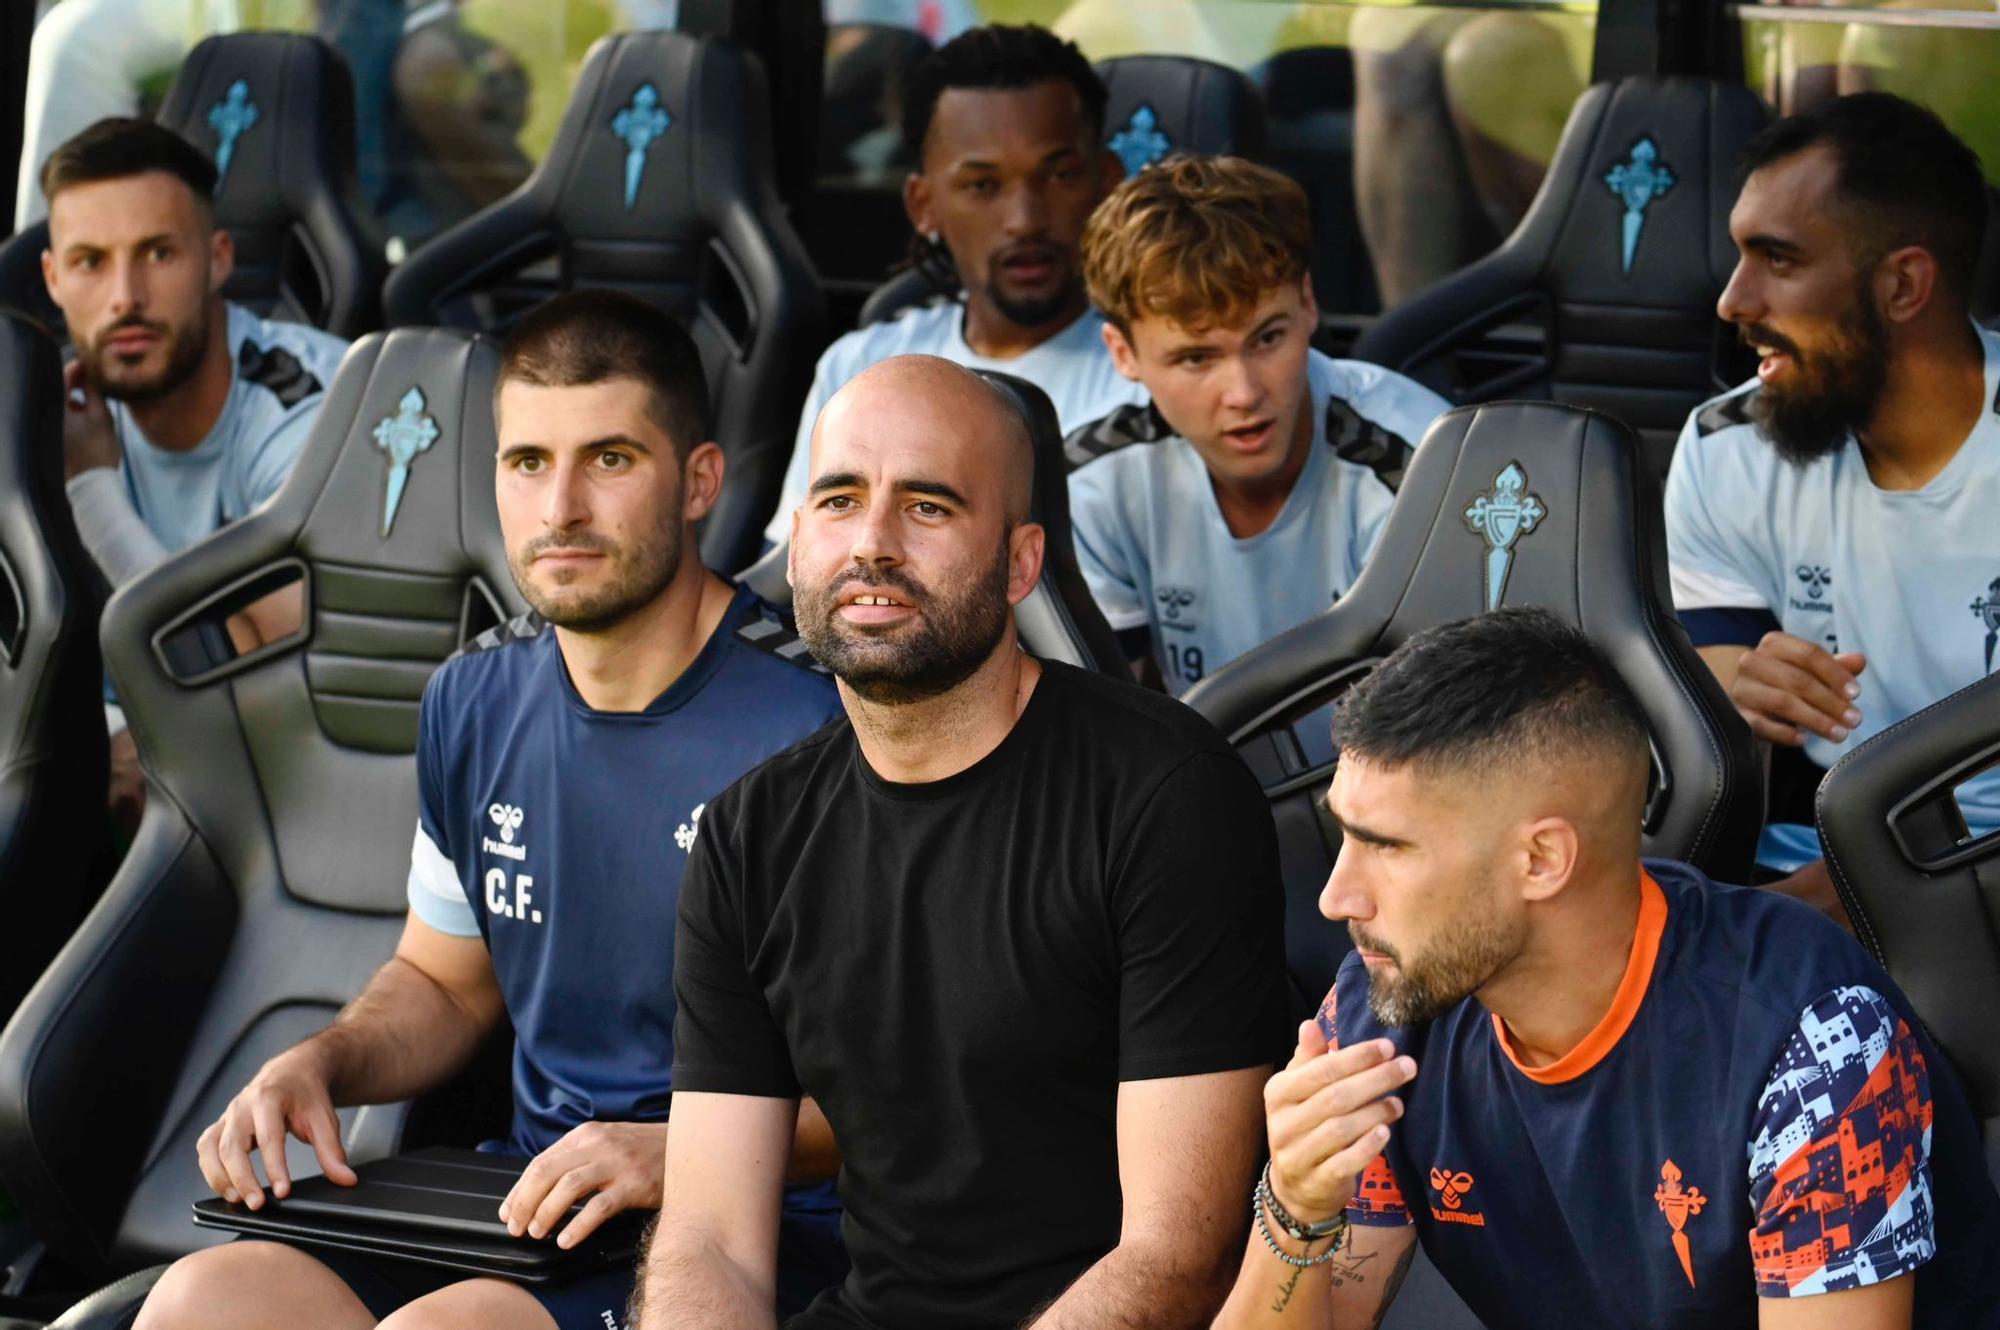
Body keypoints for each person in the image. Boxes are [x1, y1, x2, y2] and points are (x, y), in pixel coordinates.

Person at [133, 291, 849, 1330]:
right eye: (526, 462)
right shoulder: (471, 696)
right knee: (205, 1301)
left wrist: (677, 1150)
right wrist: (323, 1063)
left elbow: (906, 1085)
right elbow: (444, 981)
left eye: (609, 459)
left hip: (765, 1222)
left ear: (698, 482)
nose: (558, 507)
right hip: (527, 1203)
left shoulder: (816, 724)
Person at [636, 355, 1287, 1329]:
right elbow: (710, 1240)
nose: (874, 543)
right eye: (841, 500)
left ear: (1022, 561)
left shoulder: (1164, 798)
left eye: (928, 506)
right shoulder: (748, 836)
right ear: (800, 536)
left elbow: (1176, 1256)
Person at [1213, 608, 2000, 1330]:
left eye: (1386, 846)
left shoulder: (1812, 1041)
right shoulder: (1378, 1007)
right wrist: (1296, 1204)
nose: (1333, 896)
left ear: (1541, 858)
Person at [1663, 93, 1996, 914]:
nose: (1733, 302)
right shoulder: (1725, 442)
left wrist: (1862, 897)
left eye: (1778, 260)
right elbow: (1716, 666)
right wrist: (1747, 682)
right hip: (1810, 863)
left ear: (1904, 284)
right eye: (1740, 256)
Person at [41, 116, 349, 825]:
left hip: (278, 797)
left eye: (157, 253)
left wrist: (91, 492)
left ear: (216, 259)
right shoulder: (45, 404)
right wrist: (105, 736)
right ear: (54, 278)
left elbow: (261, 683)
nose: (125, 297)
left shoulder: (305, 409)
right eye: (91, 262)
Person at [1066, 155, 1448, 692]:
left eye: (1268, 338)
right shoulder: (1087, 483)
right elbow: (1104, 728)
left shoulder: (1423, 468)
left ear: (1309, 304)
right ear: (1122, 352)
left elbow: (1455, 741)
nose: (1244, 393)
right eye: (1196, 358)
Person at [762, 23, 1146, 546]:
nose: (1024, 220)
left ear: (1107, 183)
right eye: (983, 185)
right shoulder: (858, 368)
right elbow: (789, 573)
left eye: (1059, 176)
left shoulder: (1158, 380)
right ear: (924, 206)